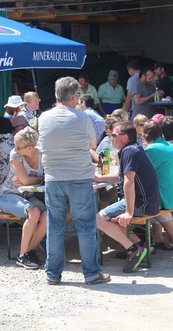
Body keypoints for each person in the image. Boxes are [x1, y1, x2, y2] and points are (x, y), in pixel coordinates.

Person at [38, 76, 109, 285]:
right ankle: (91, 273)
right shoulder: (82, 117)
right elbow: (92, 144)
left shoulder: (43, 117)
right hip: (79, 177)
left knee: (55, 226)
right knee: (85, 226)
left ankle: (53, 274)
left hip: (53, 178)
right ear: (75, 96)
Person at [93, 121, 161, 273]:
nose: (111, 138)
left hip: (142, 204)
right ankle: (141, 246)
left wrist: (129, 212)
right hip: (149, 202)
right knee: (110, 217)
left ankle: (133, 250)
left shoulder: (129, 152)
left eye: (113, 135)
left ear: (124, 137)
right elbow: (121, 177)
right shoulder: (133, 148)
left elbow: (129, 182)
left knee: (98, 219)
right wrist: (98, 178)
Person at [0, 127, 47, 270]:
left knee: (49, 215)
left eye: (18, 146)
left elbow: (29, 180)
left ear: (29, 148)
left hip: (27, 195)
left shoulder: (43, 154)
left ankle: (28, 252)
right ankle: (23, 255)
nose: (14, 148)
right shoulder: (15, 154)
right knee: (34, 211)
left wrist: (34, 180)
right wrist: (38, 179)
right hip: (8, 195)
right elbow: (26, 181)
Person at [142, 121, 173, 249]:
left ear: (145, 136)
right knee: (152, 200)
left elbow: (143, 172)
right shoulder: (167, 145)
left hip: (166, 194)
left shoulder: (152, 149)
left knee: (149, 202)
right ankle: (158, 237)